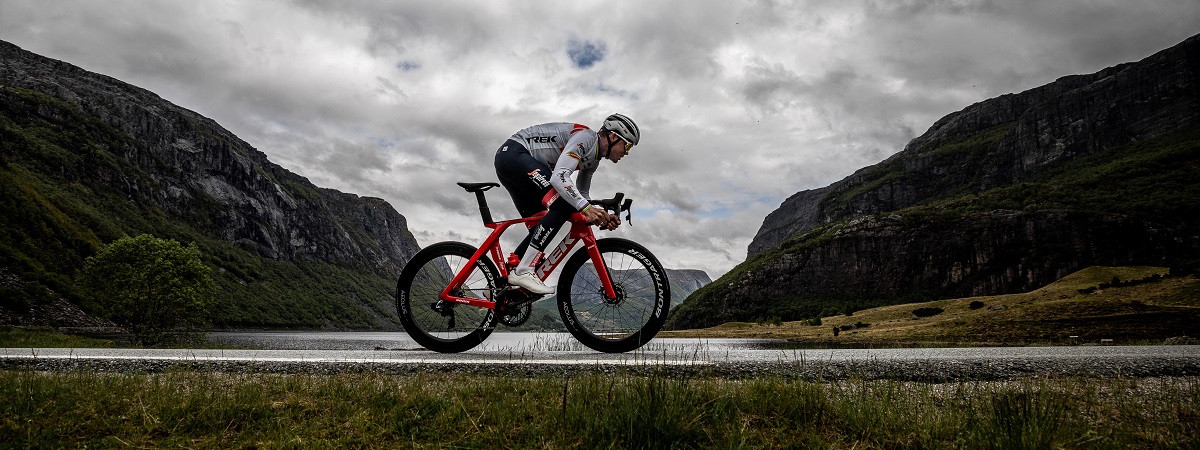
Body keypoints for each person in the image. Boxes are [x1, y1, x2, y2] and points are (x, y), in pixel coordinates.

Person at [493, 113, 640, 295]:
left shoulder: (593, 161)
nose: (626, 152)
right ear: (613, 136)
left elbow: (581, 195)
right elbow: (560, 177)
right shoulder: (586, 139)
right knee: (563, 205)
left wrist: (601, 216)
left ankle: (500, 286)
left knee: (540, 226)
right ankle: (523, 271)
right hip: (515, 154)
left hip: (514, 161)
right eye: (627, 146)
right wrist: (586, 209)